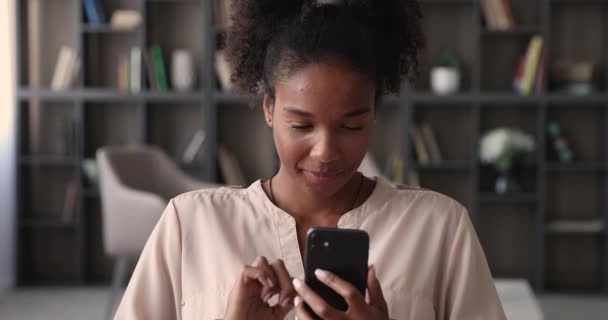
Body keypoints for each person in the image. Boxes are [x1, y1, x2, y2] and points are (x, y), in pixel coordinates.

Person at [114, 0, 507, 319]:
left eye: (351, 127)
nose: (325, 152)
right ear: (269, 107)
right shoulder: (191, 225)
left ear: (374, 112)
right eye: (301, 125)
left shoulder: (438, 227)